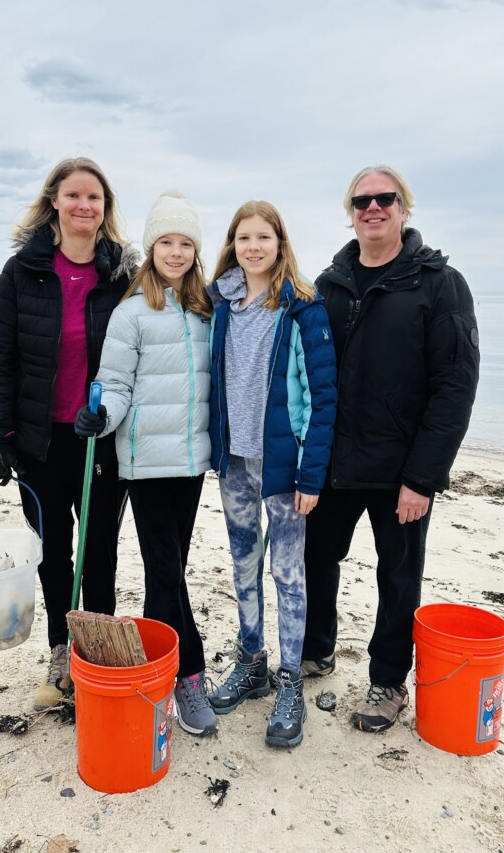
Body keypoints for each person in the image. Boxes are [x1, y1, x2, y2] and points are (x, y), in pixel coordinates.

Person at [301, 164, 480, 734]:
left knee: (398, 574)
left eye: (385, 199)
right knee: (315, 559)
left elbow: (455, 385)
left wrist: (424, 477)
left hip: (402, 468)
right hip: (333, 463)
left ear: (405, 209)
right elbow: (303, 375)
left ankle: (388, 680)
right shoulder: (328, 284)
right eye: (362, 201)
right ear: (350, 212)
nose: (372, 208)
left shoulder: (439, 283)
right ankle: (316, 649)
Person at [0, 156, 138, 709]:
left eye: (94, 198)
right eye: (74, 195)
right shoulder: (22, 271)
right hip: (40, 441)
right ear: (55, 202)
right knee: (54, 552)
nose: (84, 206)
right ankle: (59, 650)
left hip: (101, 439)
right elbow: (0, 357)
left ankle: (96, 655)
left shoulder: (121, 275)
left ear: (105, 209)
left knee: (99, 553)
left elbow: (143, 351)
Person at [75, 190, 217, 737]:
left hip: (191, 465)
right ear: (151, 247)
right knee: (164, 573)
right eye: (166, 242)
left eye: (185, 244)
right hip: (145, 464)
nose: (175, 253)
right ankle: (186, 677)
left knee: (172, 569)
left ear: (196, 251)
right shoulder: (131, 313)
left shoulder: (207, 310)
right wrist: (101, 416)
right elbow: (114, 385)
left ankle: (165, 666)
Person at [206, 200, 337, 749]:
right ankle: (252, 661)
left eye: (263, 237)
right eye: (243, 238)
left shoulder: (303, 307)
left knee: (288, 571)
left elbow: (323, 397)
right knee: (242, 565)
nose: (253, 247)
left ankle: (289, 681)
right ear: (232, 245)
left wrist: (311, 477)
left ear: (280, 243)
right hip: (234, 459)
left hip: (283, 466)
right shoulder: (220, 304)